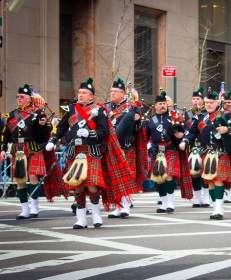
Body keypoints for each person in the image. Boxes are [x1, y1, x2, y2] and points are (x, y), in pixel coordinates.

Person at [46, 78, 137, 229]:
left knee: (93, 185)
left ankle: (96, 215)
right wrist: (53, 140)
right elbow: (61, 128)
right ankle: (81, 219)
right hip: (75, 151)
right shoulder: (71, 109)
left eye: (84, 93)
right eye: (79, 92)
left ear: (91, 97)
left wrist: (89, 134)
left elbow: (103, 132)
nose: (80, 95)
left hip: (91, 151)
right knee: (78, 186)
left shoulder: (99, 110)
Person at [180, 90, 231, 220]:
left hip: (222, 152)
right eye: (207, 102)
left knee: (218, 179)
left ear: (217, 103)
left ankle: (219, 209)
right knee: (211, 182)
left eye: (211, 103)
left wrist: (227, 129)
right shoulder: (200, 118)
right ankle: (215, 208)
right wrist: (185, 141)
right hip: (207, 153)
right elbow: (192, 133)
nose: (208, 105)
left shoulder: (227, 116)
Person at [0, 84, 52, 219]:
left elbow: (48, 129)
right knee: (20, 179)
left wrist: (44, 124)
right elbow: (5, 135)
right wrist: (3, 150)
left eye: (21, 97)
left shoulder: (38, 112)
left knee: (33, 175)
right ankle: (25, 209)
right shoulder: (12, 115)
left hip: (33, 148)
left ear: (29, 99)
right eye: (17, 97)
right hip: (18, 149)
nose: (19, 99)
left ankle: (34, 207)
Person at [104, 78, 147, 218]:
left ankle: (125, 206)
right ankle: (117, 206)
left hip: (126, 147)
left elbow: (138, 129)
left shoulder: (131, 107)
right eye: (111, 91)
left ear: (123, 94)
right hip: (110, 147)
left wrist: (137, 120)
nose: (113, 94)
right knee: (114, 177)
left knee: (125, 177)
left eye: (116, 91)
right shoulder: (107, 108)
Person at [145, 90, 193, 213]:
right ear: (155, 105)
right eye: (160, 104)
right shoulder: (150, 120)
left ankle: (171, 203)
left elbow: (186, 131)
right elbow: (145, 137)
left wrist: (182, 136)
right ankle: (164, 203)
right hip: (157, 152)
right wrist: (148, 148)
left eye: (164, 103)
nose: (162, 106)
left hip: (171, 149)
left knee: (168, 175)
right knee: (159, 177)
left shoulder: (174, 117)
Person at [185, 87, 210, 208]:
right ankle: (198, 198)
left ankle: (207, 198)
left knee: (205, 171)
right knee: (194, 172)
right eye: (194, 99)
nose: (195, 101)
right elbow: (187, 129)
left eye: (198, 99)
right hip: (192, 146)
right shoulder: (188, 113)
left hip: (204, 145)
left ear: (203, 101)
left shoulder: (206, 113)